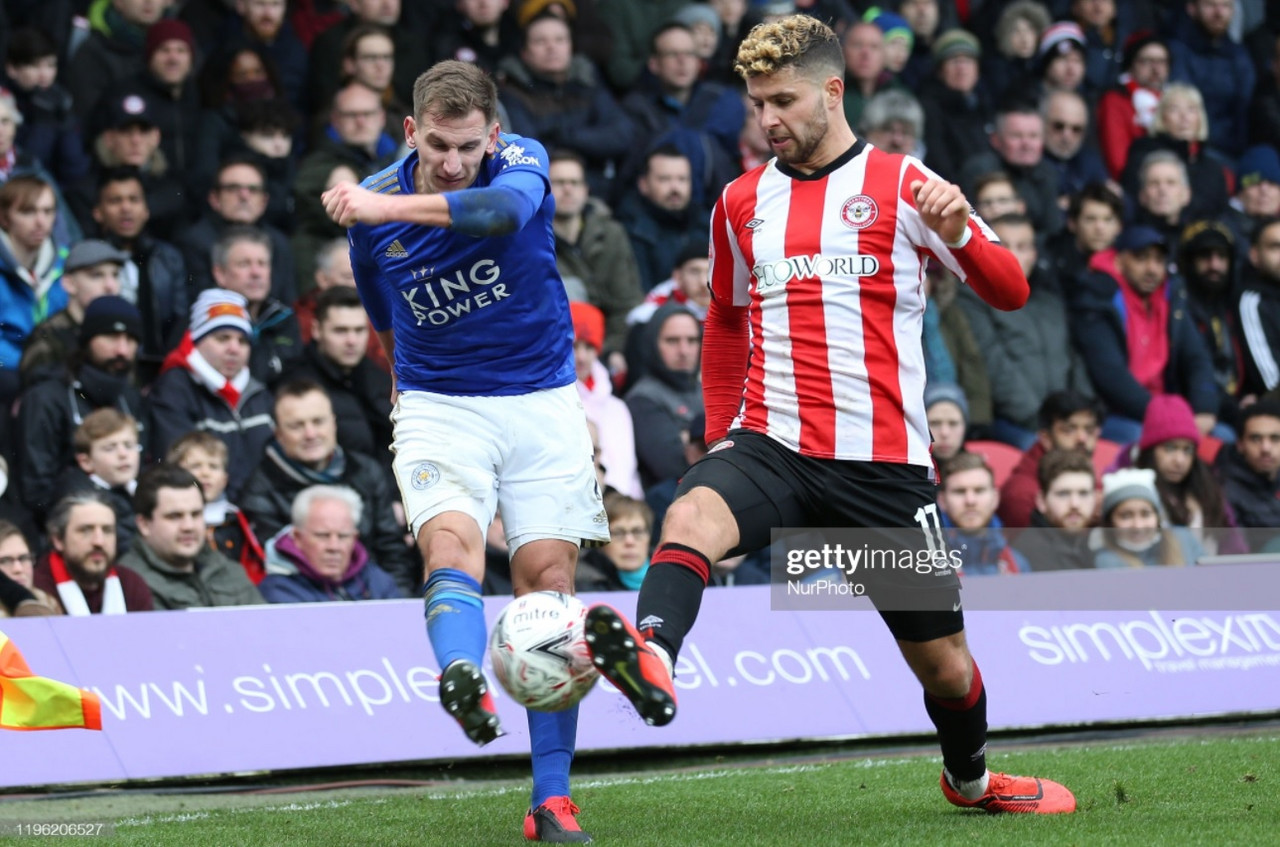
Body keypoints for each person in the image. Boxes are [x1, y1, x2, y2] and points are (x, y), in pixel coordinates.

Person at [580, 15, 1074, 815]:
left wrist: (958, 229)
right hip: (772, 445)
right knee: (693, 513)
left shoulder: (908, 185)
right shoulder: (741, 202)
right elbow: (727, 320)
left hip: (882, 469)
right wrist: (718, 435)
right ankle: (653, 655)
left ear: (833, 91)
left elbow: (1012, 290)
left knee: (946, 668)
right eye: (755, 103)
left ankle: (972, 779)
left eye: (783, 100)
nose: (767, 119)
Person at [321, 60, 608, 841]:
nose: (454, 161)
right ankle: (461, 673)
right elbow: (378, 300)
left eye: (469, 145)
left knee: (546, 583)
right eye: (439, 145)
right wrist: (395, 374)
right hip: (440, 403)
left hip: (542, 398)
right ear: (412, 131)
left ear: (496, 134)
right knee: (448, 546)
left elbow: (498, 215)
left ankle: (550, 799)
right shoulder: (374, 211)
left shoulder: (521, 164)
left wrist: (379, 204)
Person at [119, 464, 265, 610]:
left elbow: (268, 628)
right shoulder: (130, 584)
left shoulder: (227, 569)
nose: (189, 526)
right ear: (144, 524)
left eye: (196, 514)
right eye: (174, 516)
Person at [258, 485, 403, 603]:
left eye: (343, 536)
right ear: (297, 538)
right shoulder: (277, 591)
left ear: (354, 538)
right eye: (322, 536)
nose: (334, 547)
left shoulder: (377, 580)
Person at [166, 430, 264, 585]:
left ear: (225, 479)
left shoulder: (237, 518)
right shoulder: (167, 519)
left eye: (213, 466)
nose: (205, 473)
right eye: (195, 466)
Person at [32, 490, 154, 615]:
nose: (99, 541)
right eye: (85, 530)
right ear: (58, 539)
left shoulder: (131, 585)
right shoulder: (37, 588)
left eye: (107, 530)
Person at [937, 452, 1028, 576]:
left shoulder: (1017, 563)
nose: (970, 501)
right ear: (942, 500)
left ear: (995, 498)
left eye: (979, 491)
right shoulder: (922, 564)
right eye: (959, 491)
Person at [1094, 468, 1204, 568]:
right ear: (1110, 522)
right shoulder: (1104, 561)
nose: (1138, 526)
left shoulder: (1184, 539)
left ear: (1158, 517)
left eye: (1145, 514)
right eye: (1126, 516)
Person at [1011, 448, 1098, 571]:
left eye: (1083, 493)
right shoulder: (1031, 552)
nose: (1075, 504)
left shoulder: (1092, 544)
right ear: (1041, 501)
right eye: (1063, 494)